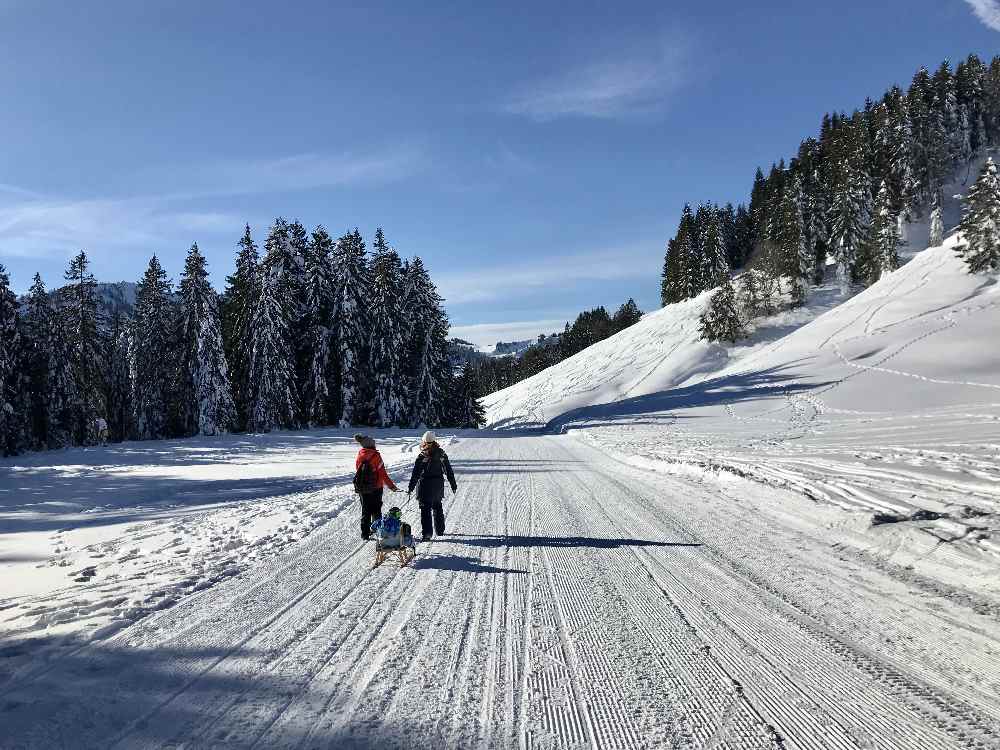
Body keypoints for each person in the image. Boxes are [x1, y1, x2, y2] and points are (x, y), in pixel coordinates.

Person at [407, 431, 457, 541]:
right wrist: (453, 484)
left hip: (425, 486)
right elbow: (448, 470)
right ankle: (440, 530)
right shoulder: (442, 454)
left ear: (424, 441)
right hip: (438, 486)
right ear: (434, 441)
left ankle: (427, 534)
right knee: (438, 506)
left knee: (425, 510)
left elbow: (416, 473)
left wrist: (411, 487)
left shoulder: (422, 455)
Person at [354, 434, 400, 541]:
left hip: (363, 488)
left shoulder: (360, 455)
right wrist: (391, 486)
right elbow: (383, 473)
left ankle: (365, 534)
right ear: (371, 445)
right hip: (376, 487)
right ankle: (379, 531)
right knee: (376, 510)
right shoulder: (376, 456)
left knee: (365, 511)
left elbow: (358, 470)